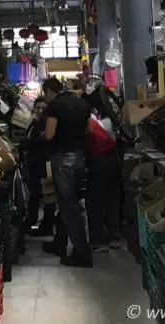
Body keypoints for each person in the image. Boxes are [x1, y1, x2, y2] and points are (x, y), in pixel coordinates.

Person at [40, 77, 93, 268]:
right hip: (80, 158)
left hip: (63, 159)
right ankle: (59, 243)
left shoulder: (55, 106)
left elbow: (49, 134)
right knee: (69, 202)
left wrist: (41, 133)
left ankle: (82, 252)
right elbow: (90, 130)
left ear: (48, 92)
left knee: (70, 207)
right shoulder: (81, 103)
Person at [84, 114, 123, 252]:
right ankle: (114, 237)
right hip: (114, 158)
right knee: (112, 199)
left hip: (99, 161)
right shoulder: (99, 118)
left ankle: (99, 241)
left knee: (94, 200)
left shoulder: (85, 120)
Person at [20, 98, 56, 236]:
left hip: (43, 164)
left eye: (43, 108)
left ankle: (43, 224)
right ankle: (33, 221)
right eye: (37, 107)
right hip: (34, 163)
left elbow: (38, 141)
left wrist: (24, 144)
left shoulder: (46, 124)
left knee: (46, 195)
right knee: (36, 194)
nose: (40, 110)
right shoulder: (35, 123)